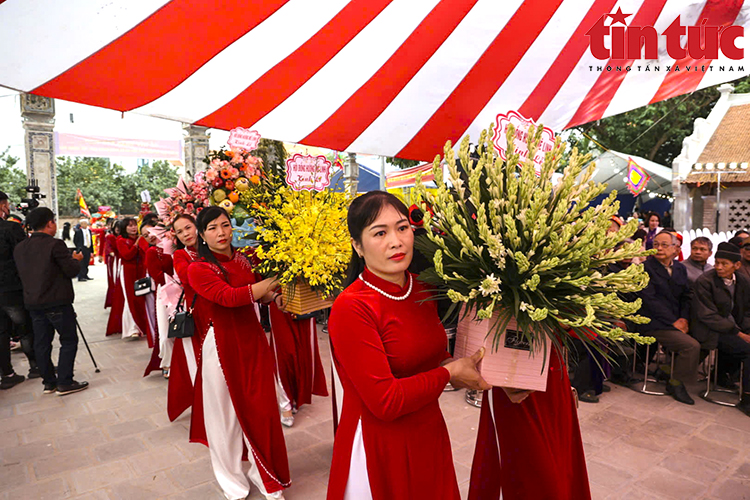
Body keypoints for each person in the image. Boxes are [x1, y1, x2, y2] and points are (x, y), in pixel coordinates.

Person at [327, 191, 490, 500]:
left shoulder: (423, 287)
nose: (396, 241)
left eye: (402, 228)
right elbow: (385, 402)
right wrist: (449, 373)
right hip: (380, 447)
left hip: (428, 431)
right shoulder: (352, 307)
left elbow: (430, 354)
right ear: (357, 246)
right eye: (380, 232)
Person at [187, 206, 290, 500]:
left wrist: (277, 297)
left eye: (225, 225)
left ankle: (265, 475)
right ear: (202, 235)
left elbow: (259, 294)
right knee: (225, 418)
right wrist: (274, 281)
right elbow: (229, 298)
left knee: (263, 410)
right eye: (212, 228)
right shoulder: (198, 268)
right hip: (220, 348)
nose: (221, 233)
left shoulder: (243, 259)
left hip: (253, 341)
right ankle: (231, 480)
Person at [13, 207, 89, 395]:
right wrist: (76, 259)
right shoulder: (55, 244)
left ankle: (48, 382)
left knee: (42, 342)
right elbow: (71, 271)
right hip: (57, 301)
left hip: (33, 302)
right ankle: (65, 381)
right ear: (49, 223)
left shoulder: (20, 247)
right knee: (69, 340)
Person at [638, 230, 699, 405]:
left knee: (705, 338)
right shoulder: (645, 267)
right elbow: (649, 300)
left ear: (675, 248)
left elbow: (686, 297)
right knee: (691, 346)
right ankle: (675, 383)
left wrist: (684, 319)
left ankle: (667, 369)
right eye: (656, 244)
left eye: (664, 245)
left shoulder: (680, 268)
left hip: (678, 320)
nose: (659, 248)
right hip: (655, 321)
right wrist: (674, 321)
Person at [690, 242, 750, 417]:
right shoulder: (705, 281)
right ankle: (747, 398)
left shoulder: (743, 281)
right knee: (748, 350)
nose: (719, 267)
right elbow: (707, 315)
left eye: (724, 264)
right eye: (717, 263)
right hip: (709, 330)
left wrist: (746, 329)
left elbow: (746, 310)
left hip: (733, 328)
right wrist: (739, 333)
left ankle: (723, 376)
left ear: (736, 265)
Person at [166, 214, 204, 422]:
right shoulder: (181, 255)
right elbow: (189, 278)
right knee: (197, 361)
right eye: (180, 232)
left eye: (188, 228)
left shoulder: (213, 247)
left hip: (221, 311)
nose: (186, 234)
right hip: (197, 313)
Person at [0, 191, 40, 389]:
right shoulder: (11, 228)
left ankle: (7, 374)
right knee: (25, 329)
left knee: (1, 333)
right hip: (11, 288)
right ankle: (36, 366)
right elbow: (25, 257)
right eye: (6, 204)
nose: (8, 208)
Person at [116, 218, 151, 341]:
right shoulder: (121, 240)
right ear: (124, 227)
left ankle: (144, 326)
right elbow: (127, 255)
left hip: (141, 270)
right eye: (130, 226)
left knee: (143, 298)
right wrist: (136, 244)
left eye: (135, 225)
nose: (133, 228)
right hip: (128, 272)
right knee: (131, 299)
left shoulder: (142, 238)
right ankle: (133, 329)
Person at [104, 220, 124, 336]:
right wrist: (112, 254)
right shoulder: (111, 237)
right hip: (116, 260)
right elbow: (108, 248)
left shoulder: (122, 238)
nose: (117, 230)